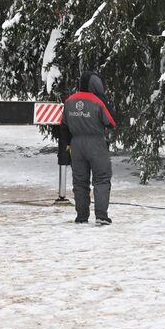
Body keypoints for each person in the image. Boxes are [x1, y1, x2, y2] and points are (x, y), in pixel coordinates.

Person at [61, 70, 117, 224]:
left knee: (79, 181)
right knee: (102, 179)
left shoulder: (69, 101)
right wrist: (104, 99)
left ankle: (81, 216)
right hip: (96, 143)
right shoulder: (98, 101)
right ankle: (101, 216)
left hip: (76, 144)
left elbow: (64, 125)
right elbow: (111, 122)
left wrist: (67, 144)